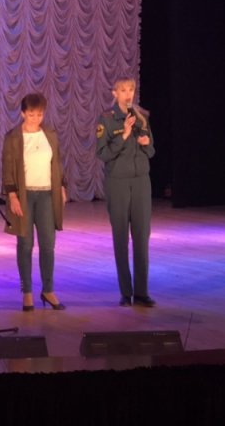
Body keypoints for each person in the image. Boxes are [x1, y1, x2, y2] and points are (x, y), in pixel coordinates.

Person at [2, 93, 68, 311]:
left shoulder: (49, 133)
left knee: (48, 245)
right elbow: (8, 170)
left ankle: (48, 290)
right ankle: (27, 292)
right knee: (25, 244)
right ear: (23, 113)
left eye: (40, 114)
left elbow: (56, 162)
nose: (36, 118)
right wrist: (13, 196)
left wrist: (61, 186)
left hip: (47, 195)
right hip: (25, 196)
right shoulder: (13, 137)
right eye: (32, 114)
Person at [96, 78, 156, 308]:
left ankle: (142, 292)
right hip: (118, 182)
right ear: (115, 93)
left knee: (142, 237)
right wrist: (124, 136)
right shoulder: (107, 119)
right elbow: (102, 153)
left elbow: (151, 150)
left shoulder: (142, 116)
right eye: (123, 90)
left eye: (131, 89)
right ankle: (125, 292)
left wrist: (146, 142)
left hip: (141, 181)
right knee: (120, 237)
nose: (128, 94)